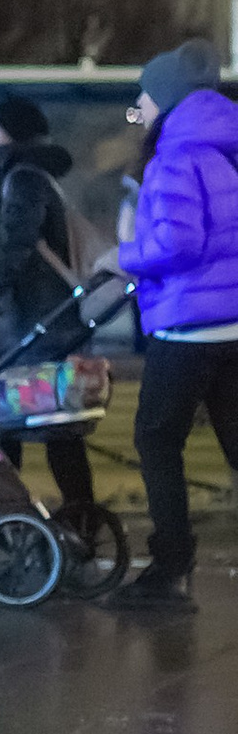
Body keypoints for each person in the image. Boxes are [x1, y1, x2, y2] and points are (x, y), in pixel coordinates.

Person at [106, 37, 238, 614]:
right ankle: (171, 566)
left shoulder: (176, 156)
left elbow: (178, 243)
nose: (141, 105)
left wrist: (123, 257)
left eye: (146, 96)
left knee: (157, 442)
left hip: (187, 329)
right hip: (232, 325)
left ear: (168, 100)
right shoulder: (225, 147)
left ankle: (170, 568)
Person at [0, 88, 105, 546]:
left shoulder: (22, 179)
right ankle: (76, 524)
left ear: (11, 136)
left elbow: (17, 245)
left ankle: (10, 522)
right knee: (57, 432)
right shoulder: (39, 177)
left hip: (32, 326)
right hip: (48, 323)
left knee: (4, 427)